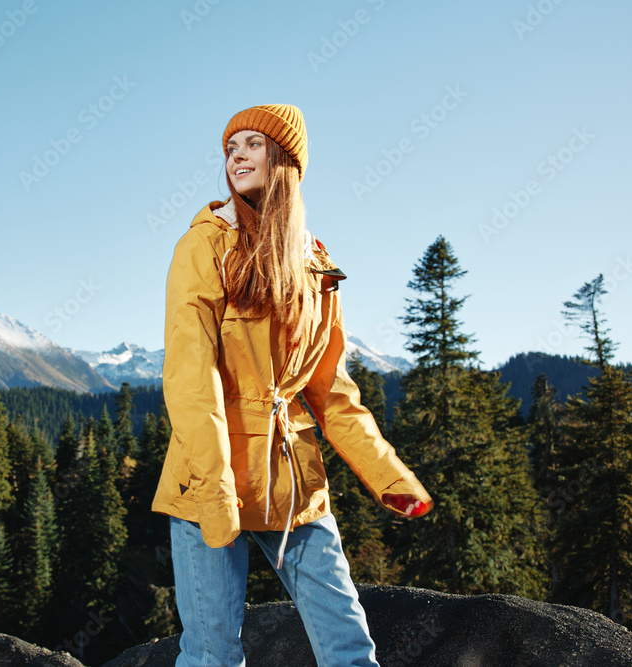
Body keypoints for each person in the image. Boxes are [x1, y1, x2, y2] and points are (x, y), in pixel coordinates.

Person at [151, 104, 434, 667]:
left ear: (285, 160)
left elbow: (330, 390)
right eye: (231, 148)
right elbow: (190, 378)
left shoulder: (316, 264)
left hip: (292, 477)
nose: (236, 157)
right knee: (211, 655)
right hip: (212, 471)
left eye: (252, 144)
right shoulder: (204, 246)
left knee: (349, 647)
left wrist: (387, 473)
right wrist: (215, 491)